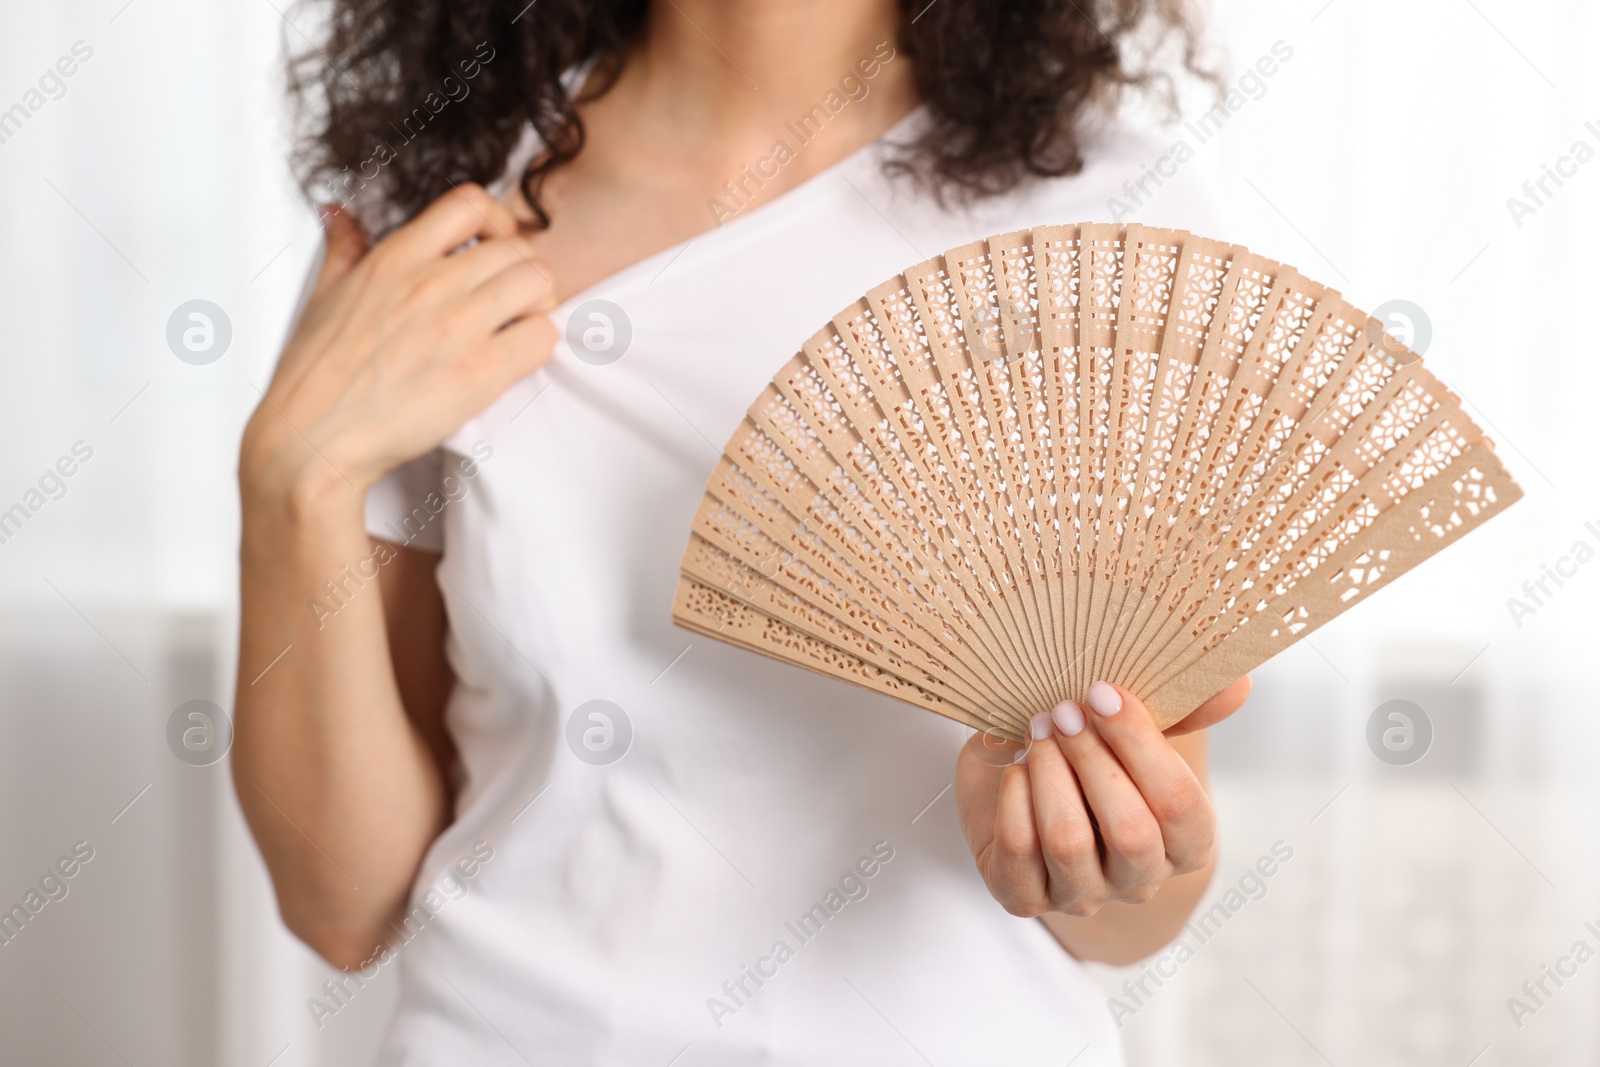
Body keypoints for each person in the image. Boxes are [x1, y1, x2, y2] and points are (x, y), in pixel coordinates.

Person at [233, 1, 1251, 1062]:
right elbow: (346, 903)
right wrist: (289, 489)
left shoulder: (1107, 215)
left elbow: (1138, 914)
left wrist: (1089, 846)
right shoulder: (444, 213)